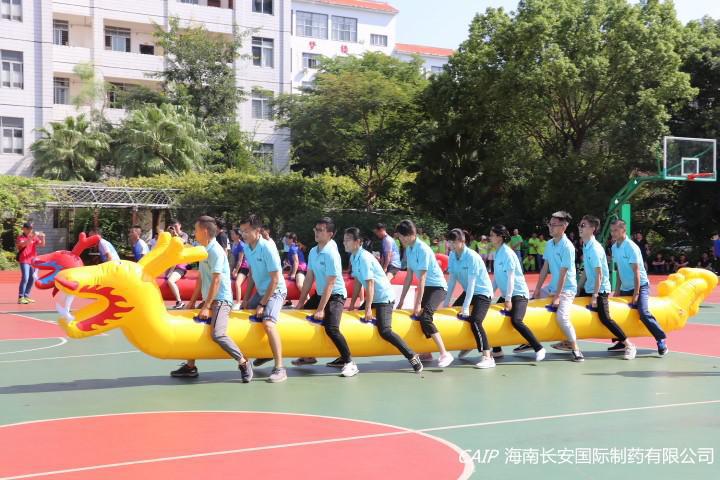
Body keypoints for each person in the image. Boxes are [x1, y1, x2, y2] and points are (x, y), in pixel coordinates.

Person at [171, 216, 253, 382]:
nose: (194, 233)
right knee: (191, 327)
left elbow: (217, 280)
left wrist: (206, 306)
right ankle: (190, 366)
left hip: (221, 300)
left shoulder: (215, 251)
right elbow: (201, 278)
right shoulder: (203, 250)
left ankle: (243, 362)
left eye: (196, 230)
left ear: (204, 231)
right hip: (209, 299)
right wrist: (192, 302)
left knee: (218, 334)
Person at [344, 227, 423, 373]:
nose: (344, 243)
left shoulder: (365, 258)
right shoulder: (354, 257)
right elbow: (358, 282)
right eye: (344, 240)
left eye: (347, 240)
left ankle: (412, 355)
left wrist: (368, 308)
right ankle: (344, 357)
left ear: (358, 242)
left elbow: (370, 283)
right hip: (374, 297)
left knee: (385, 331)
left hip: (384, 298)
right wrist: (352, 304)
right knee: (353, 322)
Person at [293, 217, 358, 377]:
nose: (316, 232)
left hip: (336, 295)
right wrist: (301, 302)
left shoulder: (331, 253)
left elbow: (331, 283)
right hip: (321, 293)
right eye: (315, 229)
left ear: (330, 234)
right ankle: (309, 355)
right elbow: (309, 277)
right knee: (301, 317)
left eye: (320, 230)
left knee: (331, 328)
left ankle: (349, 362)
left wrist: (321, 309)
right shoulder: (313, 251)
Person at [396, 219, 454, 368]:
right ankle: (427, 352)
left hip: (438, 287)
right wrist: (401, 300)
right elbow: (409, 277)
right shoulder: (409, 249)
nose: (400, 240)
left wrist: (417, 305)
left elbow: (421, 279)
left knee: (425, 317)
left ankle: (444, 353)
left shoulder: (422, 249)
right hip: (427, 287)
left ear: (410, 235)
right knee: (418, 318)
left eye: (401, 237)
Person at [577, 215, 636, 360]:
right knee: (573, 307)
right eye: (580, 225)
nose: (580, 228)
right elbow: (586, 270)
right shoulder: (585, 245)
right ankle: (568, 341)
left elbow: (599, 274)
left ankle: (629, 345)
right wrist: (578, 288)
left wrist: (595, 296)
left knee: (605, 318)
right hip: (589, 287)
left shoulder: (595, 248)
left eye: (583, 225)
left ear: (592, 229)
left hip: (600, 289)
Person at [239, 214, 288, 383]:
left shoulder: (267, 248)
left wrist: (262, 304)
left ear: (257, 230)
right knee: (244, 314)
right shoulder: (247, 248)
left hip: (276, 291)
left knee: (268, 323)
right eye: (242, 231)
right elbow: (252, 274)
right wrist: (246, 298)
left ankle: (280, 368)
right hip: (261, 291)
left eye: (247, 231)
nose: (243, 234)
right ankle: (265, 353)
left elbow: (275, 280)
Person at [530, 211, 584, 362]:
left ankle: (575, 348)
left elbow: (563, 273)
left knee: (562, 317)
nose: (550, 227)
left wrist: (557, 296)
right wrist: (537, 289)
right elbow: (545, 268)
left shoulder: (568, 247)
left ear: (564, 227)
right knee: (528, 303)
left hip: (567, 289)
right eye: (550, 224)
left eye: (554, 225)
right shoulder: (549, 244)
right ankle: (529, 341)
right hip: (552, 286)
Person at [610, 219, 668, 356]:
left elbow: (636, 272)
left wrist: (636, 294)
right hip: (625, 287)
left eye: (616, 230)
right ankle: (622, 341)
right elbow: (619, 269)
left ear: (623, 230)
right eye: (612, 231)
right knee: (617, 312)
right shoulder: (614, 247)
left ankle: (661, 340)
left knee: (643, 312)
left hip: (641, 286)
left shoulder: (631, 247)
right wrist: (617, 290)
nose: (613, 233)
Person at [490, 225, 546, 361]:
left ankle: (538, 347)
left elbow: (511, 277)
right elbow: (497, 277)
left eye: (492, 235)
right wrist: (489, 294)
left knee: (516, 320)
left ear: (500, 237)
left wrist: (508, 299)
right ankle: (497, 350)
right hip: (506, 294)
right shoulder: (497, 252)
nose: (490, 237)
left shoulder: (508, 253)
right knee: (493, 317)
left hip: (518, 294)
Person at [443, 229, 496, 369]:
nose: (451, 245)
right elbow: (452, 280)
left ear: (462, 241)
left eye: (454, 242)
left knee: (476, 321)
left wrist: (466, 308)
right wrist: (446, 303)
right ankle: (469, 344)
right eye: (449, 242)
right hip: (469, 292)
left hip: (482, 292)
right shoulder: (452, 255)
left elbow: (472, 284)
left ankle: (487, 356)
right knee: (454, 315)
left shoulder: (472, 257)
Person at [16, 221, 45, 304]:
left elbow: (42, 245)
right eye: (28, 228)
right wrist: (32, 237)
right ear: (23, 229)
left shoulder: (33, 237)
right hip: (24, 260)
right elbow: (24, 244)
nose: (30, 230)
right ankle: (21, 297)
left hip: (32, 261)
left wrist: (43, 237)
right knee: (25, 277)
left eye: (31, 229)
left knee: (31, 279)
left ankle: (26, 296)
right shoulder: (20, 237)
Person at [165, 224, 188, 310]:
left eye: (175, 226)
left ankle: (179, 302)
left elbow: (183, 243)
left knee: (170, 281)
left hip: (180, 266)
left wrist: (176, 235)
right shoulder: (170, 239)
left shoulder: (183, 235)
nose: (173, 229)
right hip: (172, 266)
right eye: (172, 228)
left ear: (180, 226)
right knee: (167, 279)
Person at [230, 228, 250, 311]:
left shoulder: (242, 245)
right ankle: (229, 301)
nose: (231, 235)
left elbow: (240, 261)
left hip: (244, 267)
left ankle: (238, 302)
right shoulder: (234, 244)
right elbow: (233, 259)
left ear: (238, 235)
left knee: (237, 283)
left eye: (233, 234)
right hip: (237, 267)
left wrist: (235, 271)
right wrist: (231, 270)